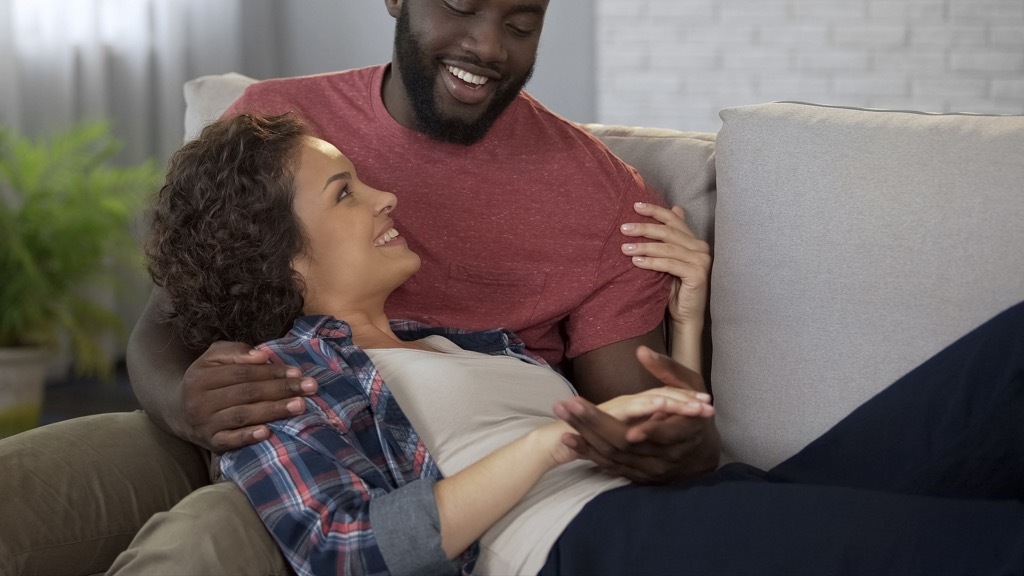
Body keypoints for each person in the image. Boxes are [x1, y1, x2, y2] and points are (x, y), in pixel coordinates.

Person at [0, 2, 713, 574]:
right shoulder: (283, 124)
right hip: (231, 427)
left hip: (388, 470)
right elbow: (167, 322)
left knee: (203, 542)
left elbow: (635, 417)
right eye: (463, 6)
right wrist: (186, 405)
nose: (491, 45)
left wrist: (676, 420)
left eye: (522, 24)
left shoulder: (599, 194)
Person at [148, 112, 1024, 576]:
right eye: (345, 191)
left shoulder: (458, 343)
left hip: (698, 503)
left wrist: (689, 316)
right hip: (589, 546)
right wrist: (554, 438)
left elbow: (661, 435)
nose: (384, 197)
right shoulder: (280, 382)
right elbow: (350, 553)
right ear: (282, 257)